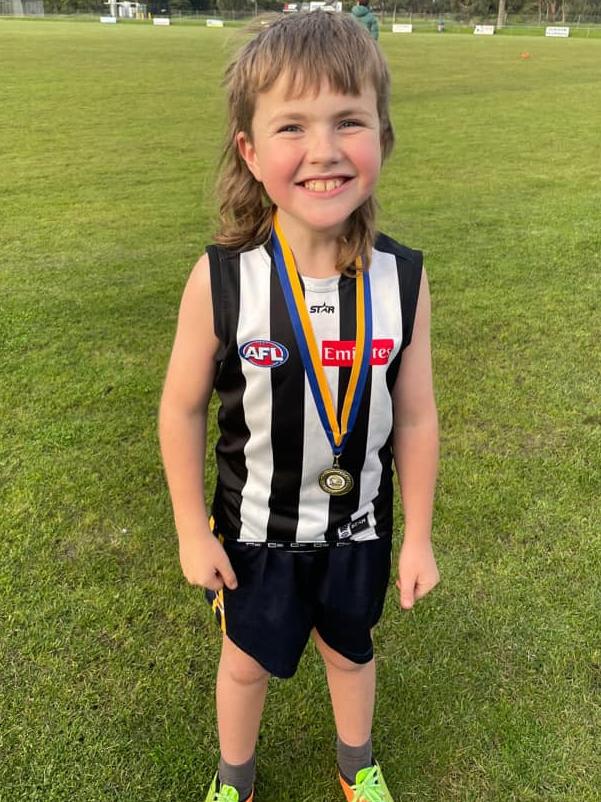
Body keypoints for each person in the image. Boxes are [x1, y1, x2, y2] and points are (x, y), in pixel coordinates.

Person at [159, 11, 439, 802]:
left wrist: (417, 536)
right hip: (254, 533)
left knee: (350, 652)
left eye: (348, 121)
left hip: (359, 528)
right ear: (250, 150)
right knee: (246, 662)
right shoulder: (221, 280)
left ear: (380, 137)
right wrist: (189, 528)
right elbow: (179, 410)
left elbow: (414, 417)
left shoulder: (404, 280)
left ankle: (357, 766)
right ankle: (234, 780)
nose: (323, 150)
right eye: (292, 126)